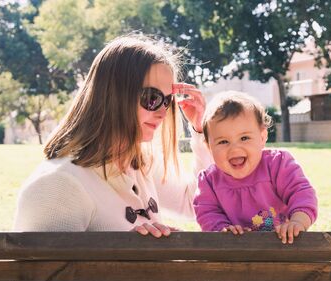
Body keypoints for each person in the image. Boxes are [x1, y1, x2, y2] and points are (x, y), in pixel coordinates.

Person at [13, 33, 212, 237]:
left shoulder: (140, 163)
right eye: (152, 98)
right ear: (113, 97)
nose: (162, 112)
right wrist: (131, 252)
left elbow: (194, 202)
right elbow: (46, 269)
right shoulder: (58, 187)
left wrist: (200, 131)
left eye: (167, 101)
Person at [193, 91, 318, 244]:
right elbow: (207, 212)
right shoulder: (209, 181)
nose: (235, 149)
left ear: (262, 137)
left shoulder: (278, 164)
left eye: (244, 138)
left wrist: (297, 222)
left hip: (283, 245)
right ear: (208, 146)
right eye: (223, 142)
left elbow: (301, 193)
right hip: (236, 254)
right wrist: (222, 230)